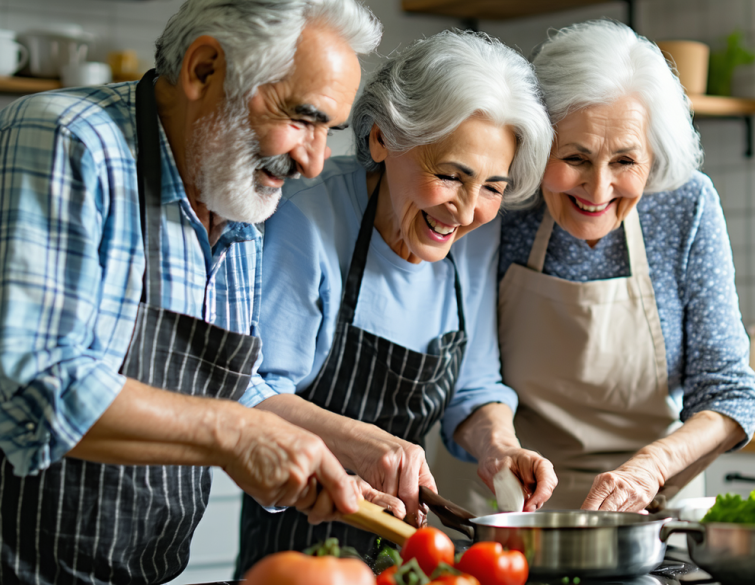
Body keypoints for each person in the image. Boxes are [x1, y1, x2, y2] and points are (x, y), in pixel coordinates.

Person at [0, 1, 386, 583]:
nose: (315, 162)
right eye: (302, 117)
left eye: (329, 130)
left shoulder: (234, 190)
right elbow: (37, 389)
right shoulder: (63, 143)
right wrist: (237, 436)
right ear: (203, 69)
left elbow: (225, 385)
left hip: (135, 565)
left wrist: (350, 444)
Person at [233, 30, 557, 574]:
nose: (467, 210)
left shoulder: (473, 237)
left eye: (493, 187)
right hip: (298, 547)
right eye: (450, 176)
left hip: (404, 555)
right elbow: (251, 389)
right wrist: (358, 441)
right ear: (383, 138)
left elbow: (474, 390)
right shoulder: (308, 218)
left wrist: (499, 446)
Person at [486, 20, 755, 512]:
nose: (598, 190)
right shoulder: (501, 203)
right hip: (510, 503)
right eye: (575, 157)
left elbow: (729, 392)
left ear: (653, 156)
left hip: (648, 506)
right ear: (536, 143)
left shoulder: (685, 206)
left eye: (624, 161)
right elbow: (469, 375)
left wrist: (649, 468)